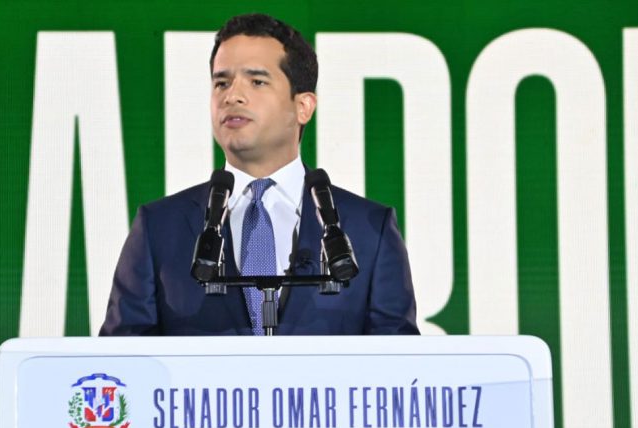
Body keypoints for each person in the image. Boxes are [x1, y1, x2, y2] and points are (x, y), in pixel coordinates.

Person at [100, 13, 418, 336]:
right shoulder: (158, 229)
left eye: (257, 82)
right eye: (221, 83)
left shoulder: (370, 231)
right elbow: (121, 357)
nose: (232, 96)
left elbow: (400, 362)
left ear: (303, 106)